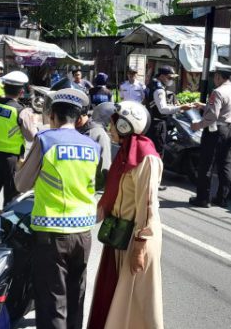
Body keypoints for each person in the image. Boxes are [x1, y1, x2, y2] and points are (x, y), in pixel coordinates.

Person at [14, 88, 99, 329]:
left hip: (52, 233)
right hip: (83, 232)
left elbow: (22, 184)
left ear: (53, 116)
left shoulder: (46, 140)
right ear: (77, 116)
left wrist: (21, 164)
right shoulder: (91, 145)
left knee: (52, 300)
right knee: (75, 296)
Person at [87, 101, 163, 329]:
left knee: (135, 301)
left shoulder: (146, 157)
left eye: (113, 124)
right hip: (119, 233)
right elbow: (111, 196)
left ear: (124, 126)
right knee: (115, 295)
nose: (110, 129)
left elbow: (148, 204)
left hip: (136, 237)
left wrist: (140, 243)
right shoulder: (124, 154)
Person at [188, 64, 231, 208]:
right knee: (226, 164)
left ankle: (203, 198)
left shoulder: (217, 92)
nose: (214, 79)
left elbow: (212, 117)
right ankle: (222, 198)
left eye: (215, 76)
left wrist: (197, 125)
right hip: (230, 130)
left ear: (218, 77)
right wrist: (204, 106)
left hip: (215, 131)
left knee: (206, 164)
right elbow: (223, 110)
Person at [0, 71, 37, 205]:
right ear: (21, 92)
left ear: (4, 87)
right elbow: (31, 137)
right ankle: (5, 224)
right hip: (12, 159)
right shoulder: (21, 111)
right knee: (11, 195)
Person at [144, 65, 191, 155]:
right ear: (162, 76)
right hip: (157, 125)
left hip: (150, 122)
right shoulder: (159, 90)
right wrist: (181, 107)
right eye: (169, 77)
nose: (171, 80)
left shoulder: (151, 84)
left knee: (149, 150)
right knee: (157, 151)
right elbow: (163, 109)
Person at [76, 104, 112, 190]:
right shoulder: (78, 130)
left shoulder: (99, 134)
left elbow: (104, 169)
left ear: (79, 118)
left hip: (91, 190)